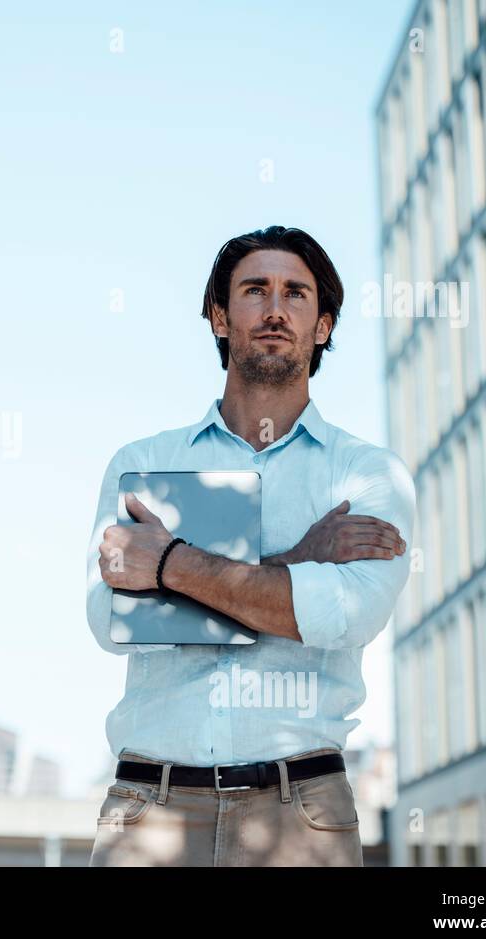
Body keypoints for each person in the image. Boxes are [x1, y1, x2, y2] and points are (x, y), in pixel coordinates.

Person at [85, 225, 416, 866]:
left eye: (295, 294)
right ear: (218, 316)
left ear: (322, 326)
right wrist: (297, 562)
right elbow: (110, 619)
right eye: (254, 290)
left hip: (301, 814)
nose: (274, 309)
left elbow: (340, 618)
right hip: (150, 811)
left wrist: (169, 565)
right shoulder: (145, 462)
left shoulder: (367, 475)